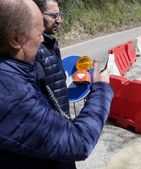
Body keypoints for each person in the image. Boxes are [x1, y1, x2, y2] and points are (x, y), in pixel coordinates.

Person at [0, 0, 113, 169]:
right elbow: (78, 142)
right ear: (16, 39)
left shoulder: (16, 72)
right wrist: (102, 90)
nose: (42, 40)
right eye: (39, 34)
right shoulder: (10, 95)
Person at [33, 0, 70, 117]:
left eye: (59, 15)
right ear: (37, 14)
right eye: (54, 16)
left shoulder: (51, 43)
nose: (59, 20)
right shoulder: (32, 50)